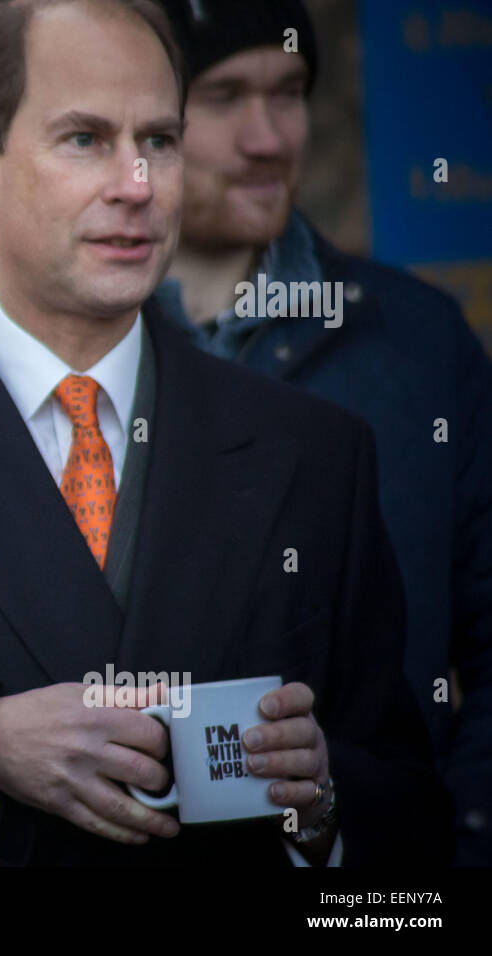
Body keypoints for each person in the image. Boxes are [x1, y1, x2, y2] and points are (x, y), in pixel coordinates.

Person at [0, 0, 449, 865]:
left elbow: (414, 809)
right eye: (85, 139)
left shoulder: (318, 451)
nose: (137, 184)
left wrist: (321, 800)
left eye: (160, 141)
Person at [153, 0, 488, 865]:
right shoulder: (67, 368)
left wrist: (458, 846)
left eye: (290, 90)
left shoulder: (420, 343)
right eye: (224, 96)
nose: (269, 136)